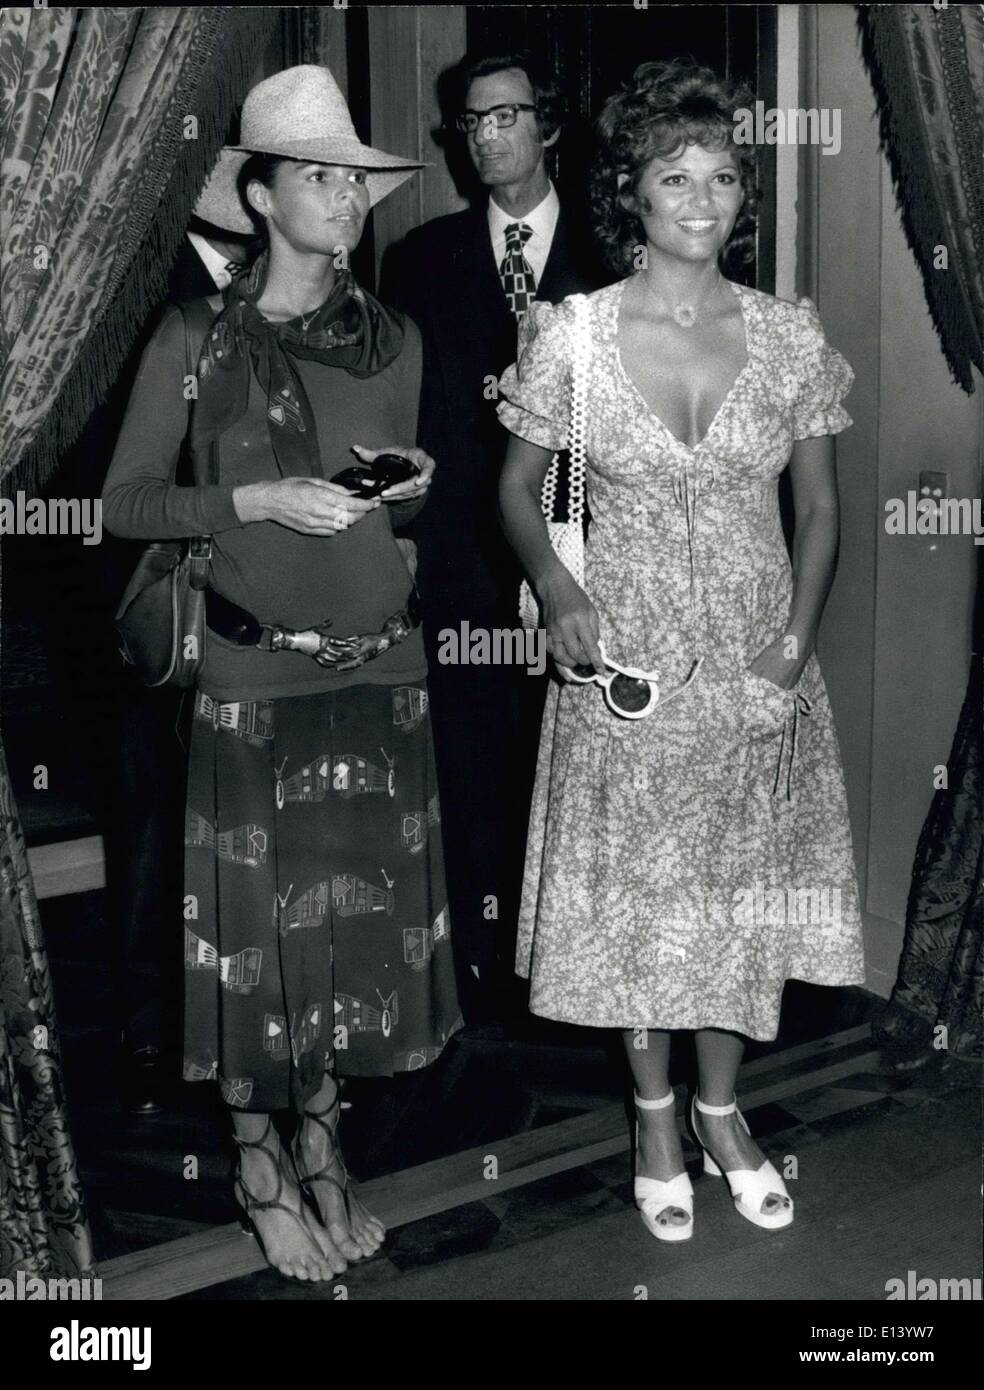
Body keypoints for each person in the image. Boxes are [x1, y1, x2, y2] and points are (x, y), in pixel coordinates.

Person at [102, 65, 462, 1281]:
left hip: (384, 674)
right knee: (253, 951)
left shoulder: (397, 336)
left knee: (347, 948)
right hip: (257, 688)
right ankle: (259, 1168)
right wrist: (252, 494)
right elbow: (124, 504)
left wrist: (408, 486)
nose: (346, 199)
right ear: (257, 195)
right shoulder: (195, 338)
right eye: (317, 176)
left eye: (356, 180)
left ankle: (326, 1153)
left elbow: (392, 510)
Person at [497, 60, 866, 1242]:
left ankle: (721, 1109)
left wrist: (793, 649)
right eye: (675, 177)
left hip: (760, 662)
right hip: (630, 668)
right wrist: (557, 588)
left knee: (737, 904)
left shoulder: (789, 334)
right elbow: (521, 488)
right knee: (642, 908)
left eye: (721, 178)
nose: (701, 201)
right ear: (632, 194)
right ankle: (653, 1111)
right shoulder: (575, 337)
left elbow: (818, 511)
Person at [383, 50, 606, 1022]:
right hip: (463, 566)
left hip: (589, 565)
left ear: (547, 126)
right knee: (472, 769)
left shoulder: (613, 252)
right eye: (470, 124)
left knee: (575, 766)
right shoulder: (419, 263)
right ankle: (486, 970)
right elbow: (401, 426)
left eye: (504, 117)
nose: (485, 138)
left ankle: (576, 964)